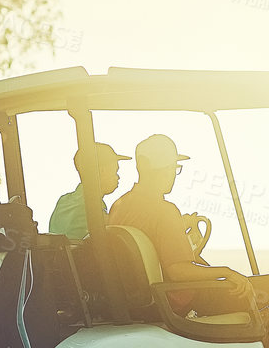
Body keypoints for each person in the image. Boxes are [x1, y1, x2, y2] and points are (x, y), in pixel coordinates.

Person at [108, 134, 253, 315]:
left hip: (141, 303)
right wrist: (227, 271)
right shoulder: (164, 210)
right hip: (176, 301)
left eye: (174, 168)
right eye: (170, 168)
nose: (172, 175)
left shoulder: (119, 206)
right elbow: (178, 271)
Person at [48, 141, 130, 240]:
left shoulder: (63, 201)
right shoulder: (93, 206)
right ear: (103, 171)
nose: (118, 177)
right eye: (115, 171)